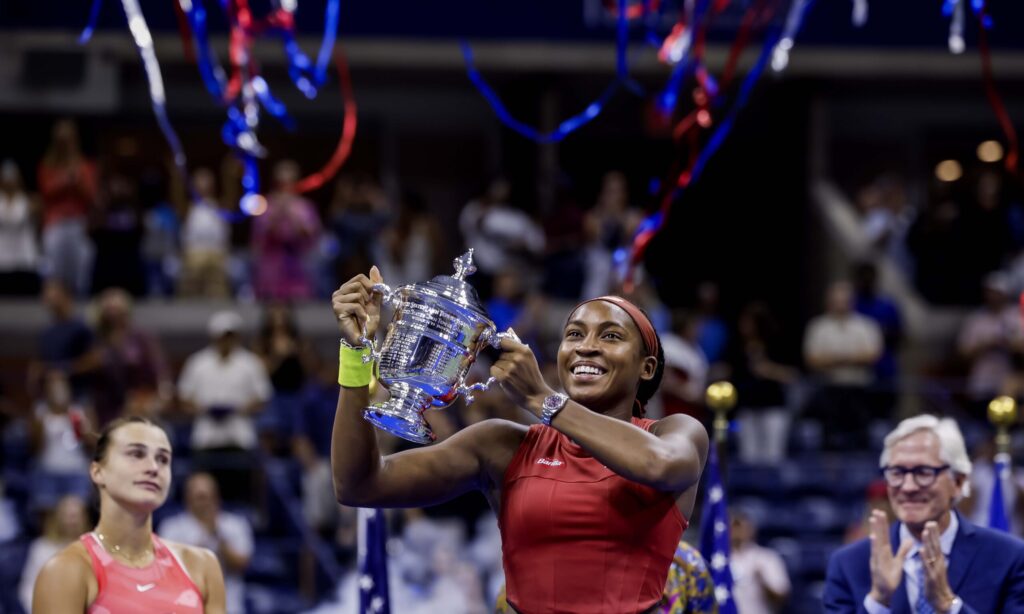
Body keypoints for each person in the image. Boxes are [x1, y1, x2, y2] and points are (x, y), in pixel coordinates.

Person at [331, 267, 709, 614]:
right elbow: (359, 485)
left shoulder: (674, 433)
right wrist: (356, 353)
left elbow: (660, 464)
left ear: (646, 367)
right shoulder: (503, 445)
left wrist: (543, 400)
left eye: (610, 336)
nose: (586, 346)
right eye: (574, 334)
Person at [823, 415, 1024, 613]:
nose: (908, 487)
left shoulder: (1009, 557)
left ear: (958, 482)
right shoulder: (849, 564)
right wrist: (879, 601)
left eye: (924, 472)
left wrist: (948, 605)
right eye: (897, 472)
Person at [31, 416, 226, 613]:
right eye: (136, 454)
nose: (153, 468)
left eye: (163, 459)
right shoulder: (67, 570)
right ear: (98, 472)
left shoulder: (202, 565)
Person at [159, 473, 252, 614]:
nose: (205, 502)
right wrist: (201, 539)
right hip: (185, 605)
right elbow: (168, 569)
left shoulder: (234, 524)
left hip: (229, 605)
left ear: (217, 496)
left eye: (209, 496)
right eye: (200, 497)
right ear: (188, 497)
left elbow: (241, 565)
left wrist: (216, 534)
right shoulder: (172, 527)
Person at [18, 494, 91, 613]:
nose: (72, 521)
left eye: (76, 516)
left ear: (85, 518)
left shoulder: (92, 547)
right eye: (68, 516)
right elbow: (28, 588)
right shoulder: (42, 548)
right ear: (58, 517)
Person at [729, 509, 791, 614]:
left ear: (751, 529)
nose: (738, 532)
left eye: (741, 526)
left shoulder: (766, 558)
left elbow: (781, 597)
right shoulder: (717, 560)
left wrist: (762, 580)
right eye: (734, 526)